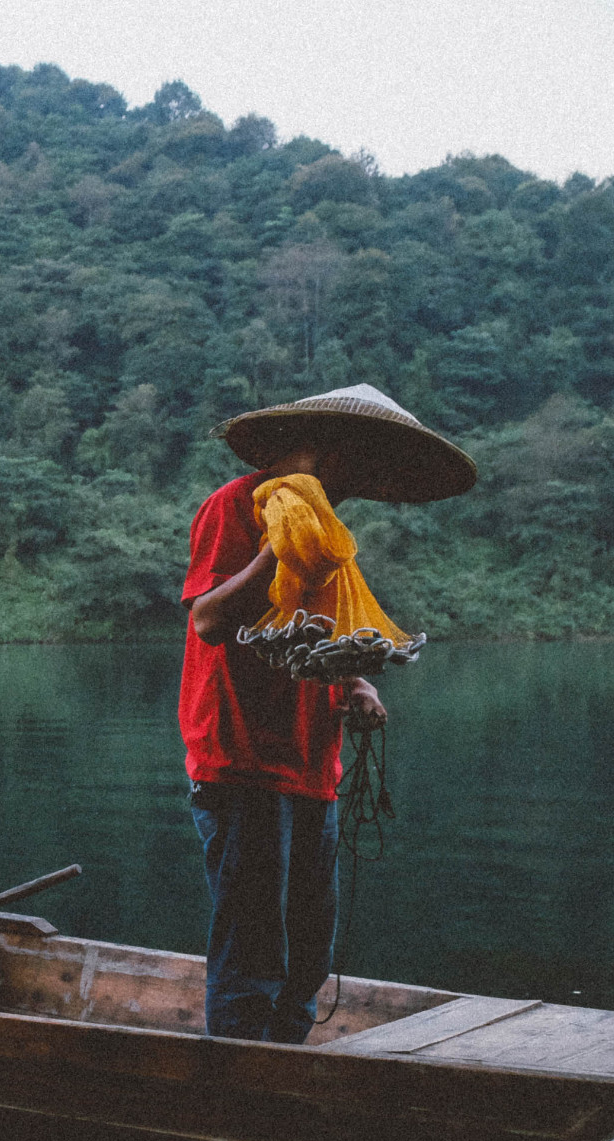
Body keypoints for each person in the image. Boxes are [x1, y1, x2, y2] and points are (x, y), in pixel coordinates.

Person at [183, 385, 474, 1044]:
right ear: (324, 450)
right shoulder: (238, 507)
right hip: (242, 760)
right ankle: (238, 1092)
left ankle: (285, 1075)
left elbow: (317, 635)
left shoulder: (329, 536)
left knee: (308, 957)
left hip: (313, 765)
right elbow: (207, 620)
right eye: (358, 460)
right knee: (255, 953)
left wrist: (357, 685)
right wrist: (279, 545)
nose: (364, 478)